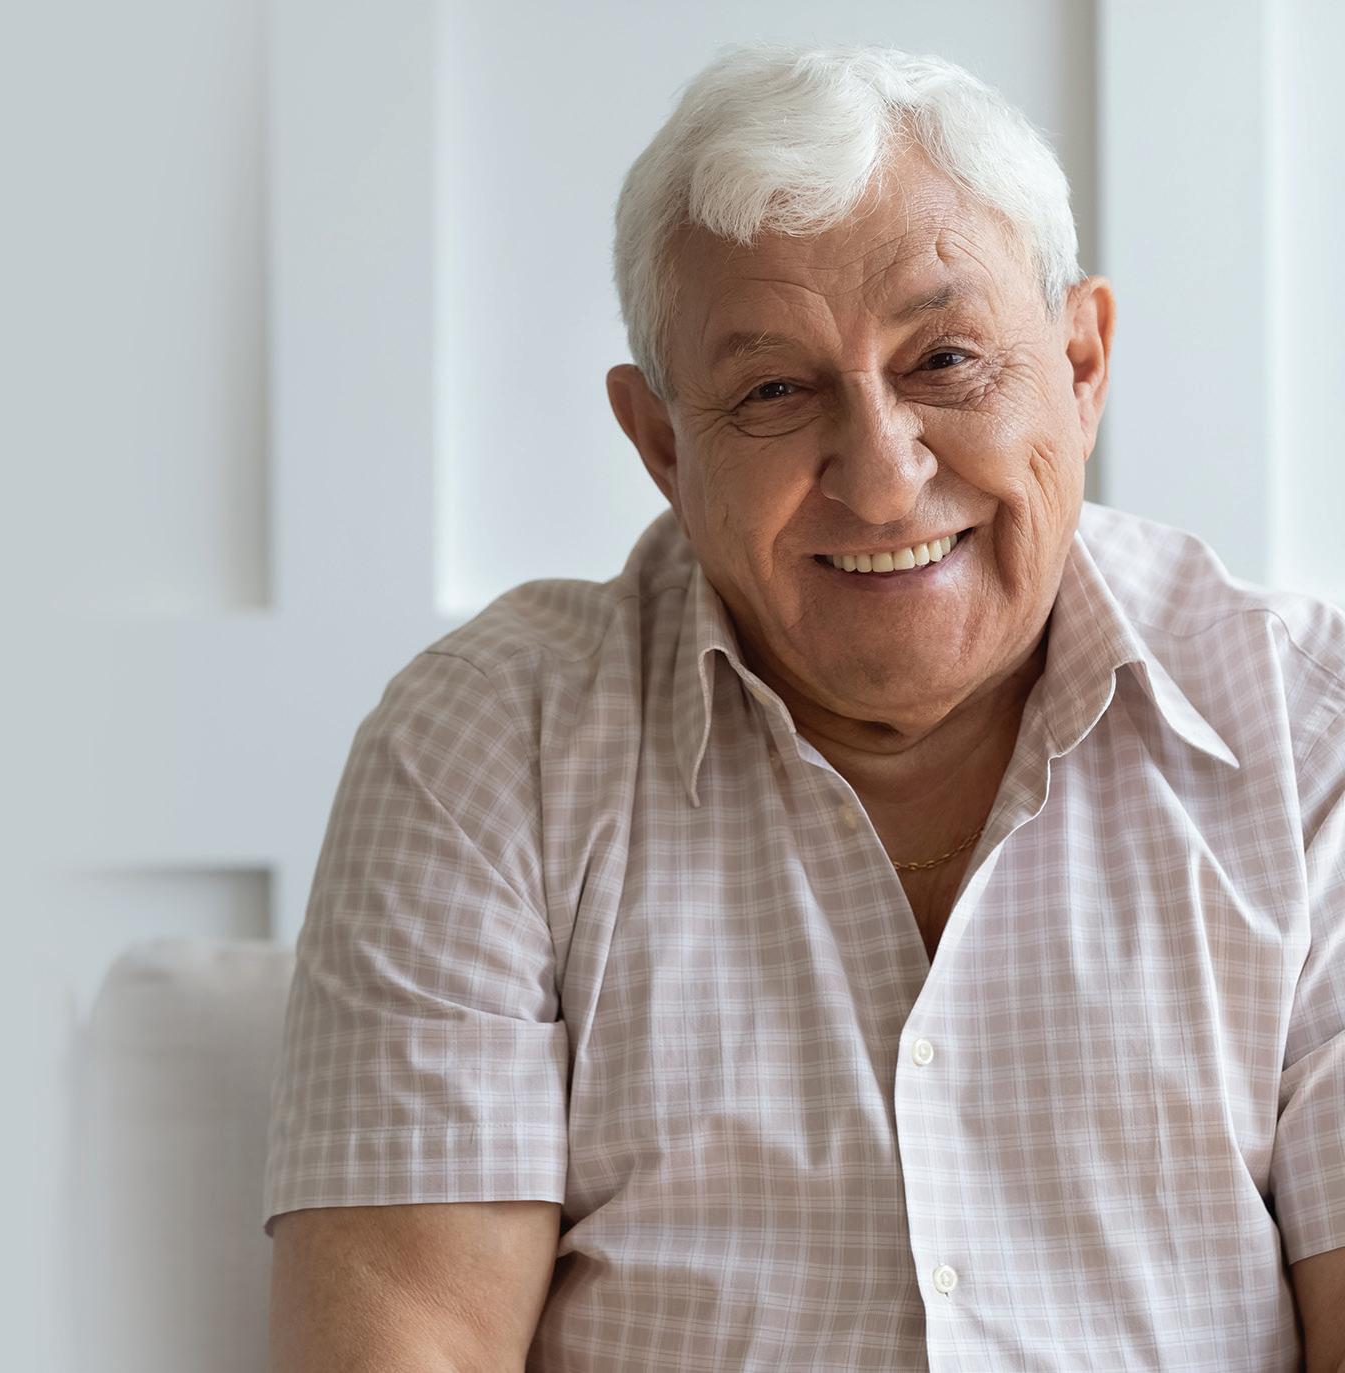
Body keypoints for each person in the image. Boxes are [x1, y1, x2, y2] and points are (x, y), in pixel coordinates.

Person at [264, 43, 1344, 1371]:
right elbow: (407, 1343)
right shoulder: (489, 745)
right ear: (663, 445)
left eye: (946, 359)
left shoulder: (1314, 734)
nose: (882, 479)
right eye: (775, 390)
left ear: (1080, 363)